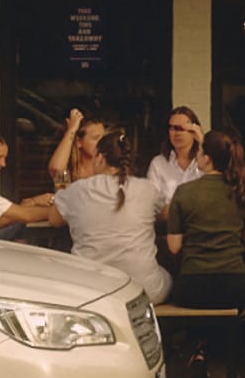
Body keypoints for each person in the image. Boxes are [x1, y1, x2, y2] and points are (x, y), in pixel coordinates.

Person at [166, 129, 245, 378]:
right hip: (235, 285)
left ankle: (198, 350)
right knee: (230, 299)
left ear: (207, 158)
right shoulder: (244, 192)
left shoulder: (184, 193)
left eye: (199, 151)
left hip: (192, 286)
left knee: (200, 299)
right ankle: (235, 355)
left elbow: (174, 247)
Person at [45, 127, 172, 303]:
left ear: (99, 157)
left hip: (91, 292)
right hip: (145, 291)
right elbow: (167, 215)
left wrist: (59, 191)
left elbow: (54, 219)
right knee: (166, 273)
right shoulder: (146, 189)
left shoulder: (78, 190)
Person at [148, 105, 206, 202]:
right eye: (172, 128)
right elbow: (153, 203)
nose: (177, 133)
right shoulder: (158, 163)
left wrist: (202, 140)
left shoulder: (206, 162)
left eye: (181, 128)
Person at [47, 107, 108, 188]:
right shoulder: (72, 173)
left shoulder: (108, 168)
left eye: (103, 138)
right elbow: (57, 169)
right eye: (95, 138)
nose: (102, 142)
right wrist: (72, 130)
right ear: (79, 142)